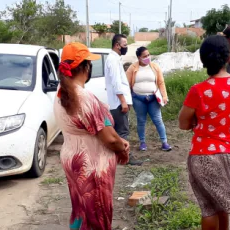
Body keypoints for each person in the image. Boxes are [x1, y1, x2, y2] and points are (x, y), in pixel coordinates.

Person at [178, 35, 230, 230]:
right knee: (223, 206)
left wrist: (197, 121)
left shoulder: (198, 90)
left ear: (203, 60)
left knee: (209, 209)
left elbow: (183, 123)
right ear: (227, 57)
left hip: (204, 155)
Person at [54, 42, 130, 230]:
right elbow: (110, 139)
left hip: (73, 159)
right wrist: (122, 146)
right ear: (85, 67)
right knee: (97, 215)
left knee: (81, 209)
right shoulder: (85, 98)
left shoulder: (61, 94)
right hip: (91, 165)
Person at [105, 34, 143, 166]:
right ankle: (126, 157)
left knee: (117, 131)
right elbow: (116, 83)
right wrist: (123, 101)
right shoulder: (113, 60)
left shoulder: (115, 59)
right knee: (123, 132)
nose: (126, 47)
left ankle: (117, 156)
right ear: (117, 45)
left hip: (117, 102)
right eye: (125, 45)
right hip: (118, 103)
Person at [126, 47, 172, 151]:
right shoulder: (132, 68)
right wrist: (128, 99)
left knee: (158, 120)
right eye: (144, 56)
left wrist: (164, 96)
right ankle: (142, 143)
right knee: (141, 120)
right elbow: (127, 84)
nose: (147, 57)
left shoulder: (155, 67)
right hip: (138, 99)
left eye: (148, 55)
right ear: (139, 57)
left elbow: (161, 82)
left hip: (153, 98)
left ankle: (164, 142)